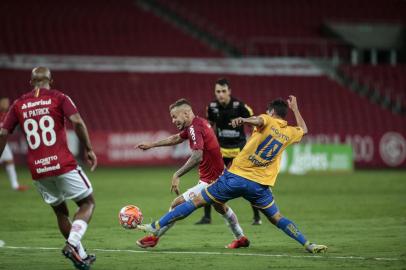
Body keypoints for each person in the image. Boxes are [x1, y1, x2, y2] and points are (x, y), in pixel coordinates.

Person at [136, 96, 328, 253]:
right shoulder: (290, 132)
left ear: (270, 112)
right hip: (259, 186)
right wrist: (295, 108)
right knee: (277, 217)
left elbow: (259, 120)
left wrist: (244, 120)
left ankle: (155, 226)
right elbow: (305, 129)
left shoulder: (267, 119)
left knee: (194, 203)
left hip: (234, 178)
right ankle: (307, 244)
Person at [0, 67, 98, 270]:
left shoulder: (19, 103)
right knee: (87, 203)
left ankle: (82, 255)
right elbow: (77, 122)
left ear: (31, 82)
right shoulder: (59, 97)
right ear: (51, 81)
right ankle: (72, 244)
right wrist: (88, 148)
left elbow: (3, 132)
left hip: (38, 170)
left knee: (61, 213)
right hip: (63, 164)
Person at [135, 98, 250, 249]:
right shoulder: (197, 123)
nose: (173, 120)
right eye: (172, 117)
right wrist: (152, 145)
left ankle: (154, 237)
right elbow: (176, 138)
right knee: (220, 207)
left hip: (211, 181)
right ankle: (241, 237)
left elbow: (197, 156)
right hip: (219, 176)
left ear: (186, 113)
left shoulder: (195, 128)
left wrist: (177, 174)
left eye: (175, 116)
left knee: (176, 204)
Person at [196, 78, 262, 225]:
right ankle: (207, 217)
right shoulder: (211, 107)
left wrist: (253, 141)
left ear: (229, 92)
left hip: (239, 151)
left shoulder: (240, 106)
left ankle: (257, 217)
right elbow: (210, 126)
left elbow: (255, 120)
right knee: (209, 181)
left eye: (223, 91)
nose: (221, 94)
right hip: (220, 151)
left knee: (247, 183)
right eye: (218, 91)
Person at [0, 97, 28, 191]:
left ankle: (15, 185)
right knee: (9, 161)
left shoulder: (6, 115)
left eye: (7, 102)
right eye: (4, 102)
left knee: (9, 161)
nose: (6, 104)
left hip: (3, 143)